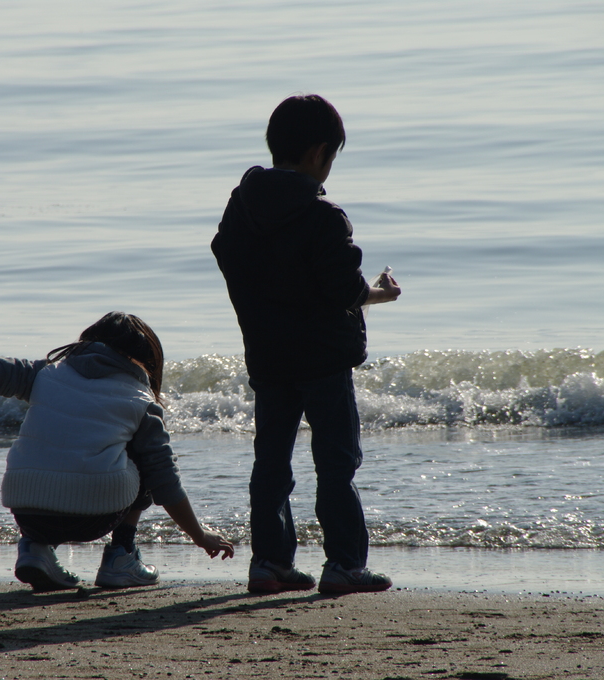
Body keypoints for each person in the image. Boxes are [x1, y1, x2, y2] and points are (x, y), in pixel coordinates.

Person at [0, 312, 234, 592]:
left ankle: (34, 548)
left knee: (49, 442)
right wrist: (200, 536)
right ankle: (121, 557)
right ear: (147, 361)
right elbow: (165, 481)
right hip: (95, 516)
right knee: (145, 459)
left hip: (27, 509)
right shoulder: (141, 401)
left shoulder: (44, 374)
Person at [211, 94, 400, 594]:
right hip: (322, 358)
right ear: (319, 153)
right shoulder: (323, 217)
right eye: (331, 158)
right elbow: (344, 289)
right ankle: (343, 565)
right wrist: (380, 293)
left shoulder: (242, 204)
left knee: (271, 460)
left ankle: (270, 562)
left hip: (268, 355)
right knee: (336, 462)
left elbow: (224, 254)